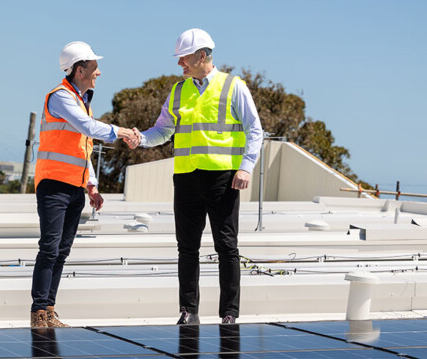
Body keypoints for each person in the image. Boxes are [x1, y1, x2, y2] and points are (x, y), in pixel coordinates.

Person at [126, 29, 263, 324]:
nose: (180, 65)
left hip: (223, 178)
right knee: (186, 247)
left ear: (201, 56)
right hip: (186, 178)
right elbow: (162, 130)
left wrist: (246, 167)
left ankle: (229, 313)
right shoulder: (178, 91)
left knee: (226, 245)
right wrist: (141, 139)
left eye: (183, 58)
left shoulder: (233, 86)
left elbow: (255, 130)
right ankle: (188, 311)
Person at [31, 41, 138, 328]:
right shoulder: (60, 97)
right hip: (53, 186)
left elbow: (82, 147)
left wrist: (92, 185)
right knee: (50, 248)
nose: (98, 72)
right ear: (80, 69)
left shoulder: (81, 101)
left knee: (62, 251)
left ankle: (49, 310)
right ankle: (39, 312)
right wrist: (122, 131)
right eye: (94, 67)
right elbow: (89, 128)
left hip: (75, 187)